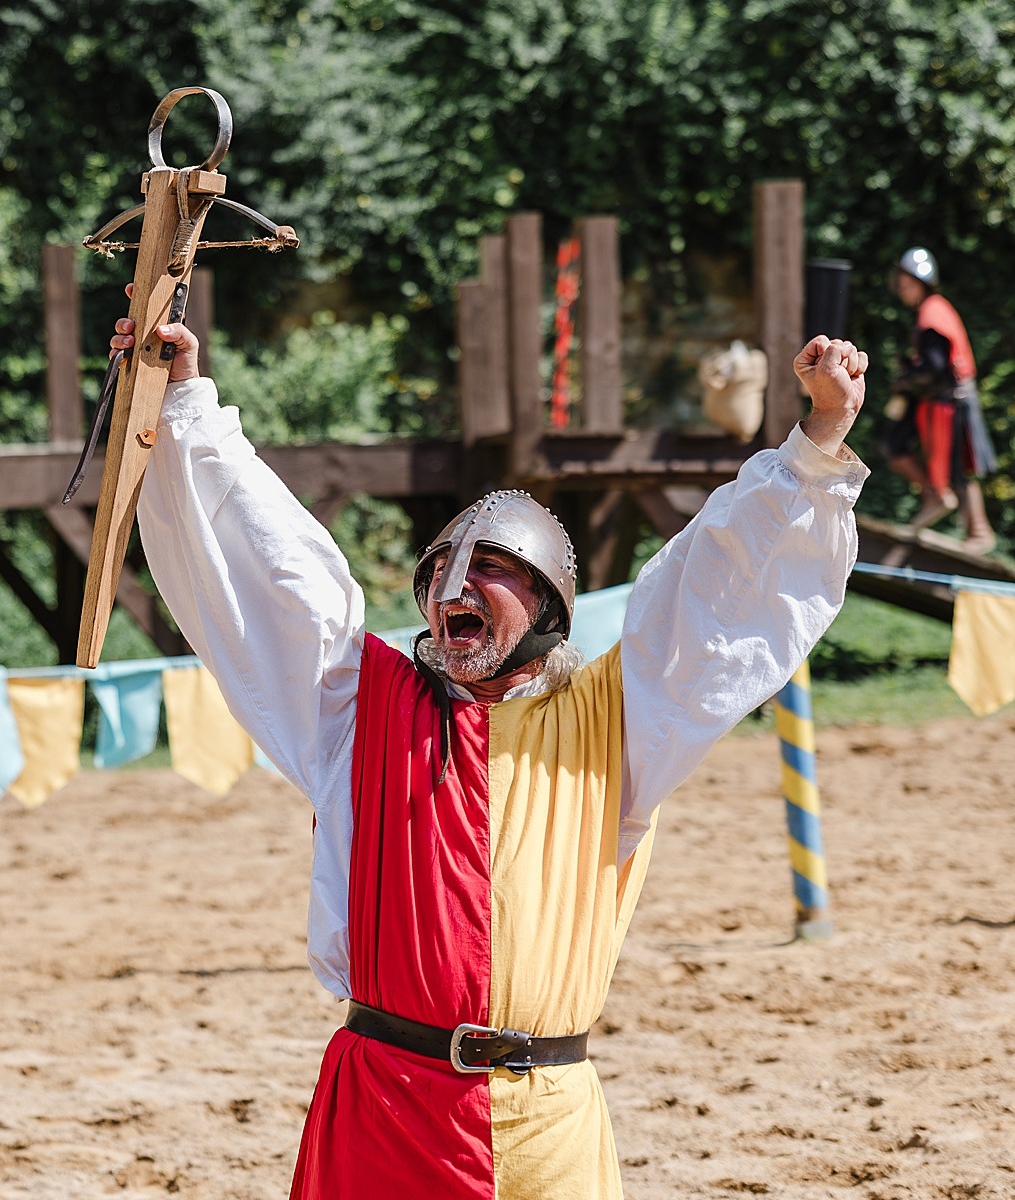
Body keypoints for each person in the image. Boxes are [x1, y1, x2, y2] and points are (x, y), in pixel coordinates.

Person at [112, 308, 869, 1197]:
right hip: (385, 1114)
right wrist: (186, 400)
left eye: (492, 569)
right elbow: (271, 572)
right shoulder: (358, 710)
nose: (457, 585)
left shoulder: (619, 722)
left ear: (547, 608)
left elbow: (718, 591)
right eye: (442, 570)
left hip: (547, 1123)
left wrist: (820, 436)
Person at [883, 246, 997, 552]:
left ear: (923, 283)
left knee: (961, 468)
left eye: (909, 283)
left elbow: (934, 365)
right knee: (901, 446)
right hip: (943, 399)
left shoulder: (932, 311)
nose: (903, 290)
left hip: (954, 400)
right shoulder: (932, 309)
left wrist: (907, 378)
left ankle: (980, 533)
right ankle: (937, 496)